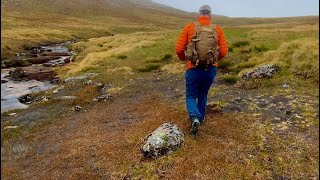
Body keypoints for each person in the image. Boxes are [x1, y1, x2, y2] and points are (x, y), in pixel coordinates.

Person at [175, 5, 228, 136]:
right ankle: (201, 119)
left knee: (191, 95)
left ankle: (194, 117)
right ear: (210, 15)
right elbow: (224, 51)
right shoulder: (217, 29)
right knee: (203, 94)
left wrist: (186, 59)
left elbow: (178, 49)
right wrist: (213, 60)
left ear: (198, 15)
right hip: (210, 69)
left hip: (192, 67)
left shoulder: (189, 27)